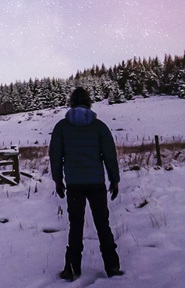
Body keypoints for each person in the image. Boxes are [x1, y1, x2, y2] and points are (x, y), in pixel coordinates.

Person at [49, 87, 122, 280]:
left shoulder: (61, 127)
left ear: (71, 103)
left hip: (74, 183)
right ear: (89, 103)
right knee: (102, 223)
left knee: (76, 225)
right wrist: (114, 179)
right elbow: (110, 156)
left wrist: (58, 180)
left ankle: (72, 267)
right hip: (96, 183)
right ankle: (112, 265)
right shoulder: (99, 127)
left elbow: (55, 156)